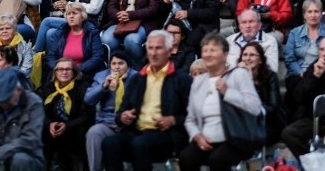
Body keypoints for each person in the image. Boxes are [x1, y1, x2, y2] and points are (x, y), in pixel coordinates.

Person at [101, 29, 193, 171]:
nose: (154, 53)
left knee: (140, 144)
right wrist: (123, 117)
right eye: (150, 48)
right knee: (110, 143)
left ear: (169, 51)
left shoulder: (182, 80)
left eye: (158, 48)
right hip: (137, 131)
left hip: (167, 134)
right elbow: (120, 113)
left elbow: (192, 116)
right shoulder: (138, 79)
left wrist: (173, 120)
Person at [179, 33, 263, 171]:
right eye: (205, 50)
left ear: (225, 54)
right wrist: (197, 136)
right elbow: (190, 119)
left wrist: (228, 92)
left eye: (213, 50)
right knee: (186, 158)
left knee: (217, 159)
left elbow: (255, 107)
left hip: (236, 138)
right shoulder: (199, 81)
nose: (207, 54)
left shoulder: (238, 74)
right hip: (206, 139)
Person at [100, 0, 162, 68]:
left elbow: (154, 9)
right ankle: (113, 68)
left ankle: (138, 68)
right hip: (121, 21)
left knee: (131, 40)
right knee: (107, 39)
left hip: (144, 22)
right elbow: (111, 4)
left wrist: (130, 15)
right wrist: (117, 15)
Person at [39, 58, 92, 171]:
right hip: (53, 126)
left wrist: (67, 126)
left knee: (81, 132)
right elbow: (41, 112)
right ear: (55, 72)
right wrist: (50, 124)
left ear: (74, 72)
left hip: (74, 126)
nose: (64, 72)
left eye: (68, 69)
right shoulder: (49, 87)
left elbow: (86, 115)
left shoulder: (83, 87)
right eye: (60, 69)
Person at [43, 2, 104, 76]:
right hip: (62, 74)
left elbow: (97, 57)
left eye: (74, 13)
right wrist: (59, 69)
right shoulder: (59, 33)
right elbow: (51, 56)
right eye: (68, 14)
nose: (71, 16)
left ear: (82, 16)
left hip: (84, 73)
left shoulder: (92, 32)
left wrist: (76, 70)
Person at [226, 7, 279, 72]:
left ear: (259, 25)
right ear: (239, 26)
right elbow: (222, 67)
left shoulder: (269, 41)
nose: (248, 26)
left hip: (258, 80)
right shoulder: (229, 40)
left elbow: (272, 69)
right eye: (244, 22)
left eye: (251, 22)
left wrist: (247, 69)